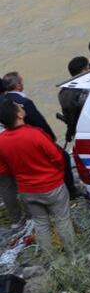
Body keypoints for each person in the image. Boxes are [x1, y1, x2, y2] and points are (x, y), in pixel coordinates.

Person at [0, 100, 74, 252]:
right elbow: (57, 157)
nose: (22, 106)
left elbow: (5, 169)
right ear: (19, 114)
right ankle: (73, 254)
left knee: (40, 223)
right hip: (51, 185)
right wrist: (58, 174)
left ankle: (51, 258)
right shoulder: (35, 134)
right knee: (62, 220)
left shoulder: (1, 141)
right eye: (19, 106)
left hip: (27, 190)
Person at [2, 72, 77, 197]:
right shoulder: (24, 102)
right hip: (34, 138)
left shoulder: (5, 101)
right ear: (18, 85)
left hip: (14, 141)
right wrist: (51, 137)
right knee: (63, 156)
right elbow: (39, 121)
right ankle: (71, 190)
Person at [59, 59, 89, 144]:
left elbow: (67, 113)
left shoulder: (63, 92)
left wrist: (70, 130)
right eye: (88, 68)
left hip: (76, 132)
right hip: (88, 130)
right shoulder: (86, 90)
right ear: (84, 70)